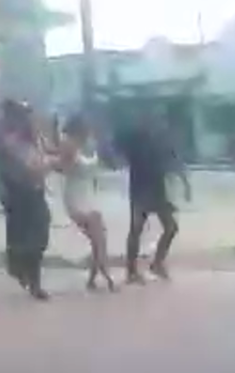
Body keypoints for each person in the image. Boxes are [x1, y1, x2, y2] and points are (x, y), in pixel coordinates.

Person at [118, 111, 188, 284]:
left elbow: (175, 161)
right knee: (136, 230)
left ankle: (157, 263)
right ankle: (132, 270)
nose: (154, 124)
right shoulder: (135, 140)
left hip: (158, 190)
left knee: (171, 227)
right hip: (141, 189)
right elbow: (122, 156)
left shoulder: (162, 140)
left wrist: (185, 183)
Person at [0, 100, 55, 301]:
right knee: (23, 238)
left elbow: (47, 154)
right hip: (19, 196)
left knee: (39, 235)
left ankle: (27, 274)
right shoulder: (11, 141)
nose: (31, 119)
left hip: (34, 192)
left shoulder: (33, 139)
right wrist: (48, 164)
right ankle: (28, 277)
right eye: (26, 115)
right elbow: (31, 167)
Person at [57, 115, 116, 292]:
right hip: (76, 196)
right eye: (87, 128)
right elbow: (64, 167)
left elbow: (97, 167)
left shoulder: (87, 146)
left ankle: (94, 278)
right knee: (99, 237)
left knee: (98, 238)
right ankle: (107, 276)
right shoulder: (68, 145)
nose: (90, 132)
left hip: (88, 194)